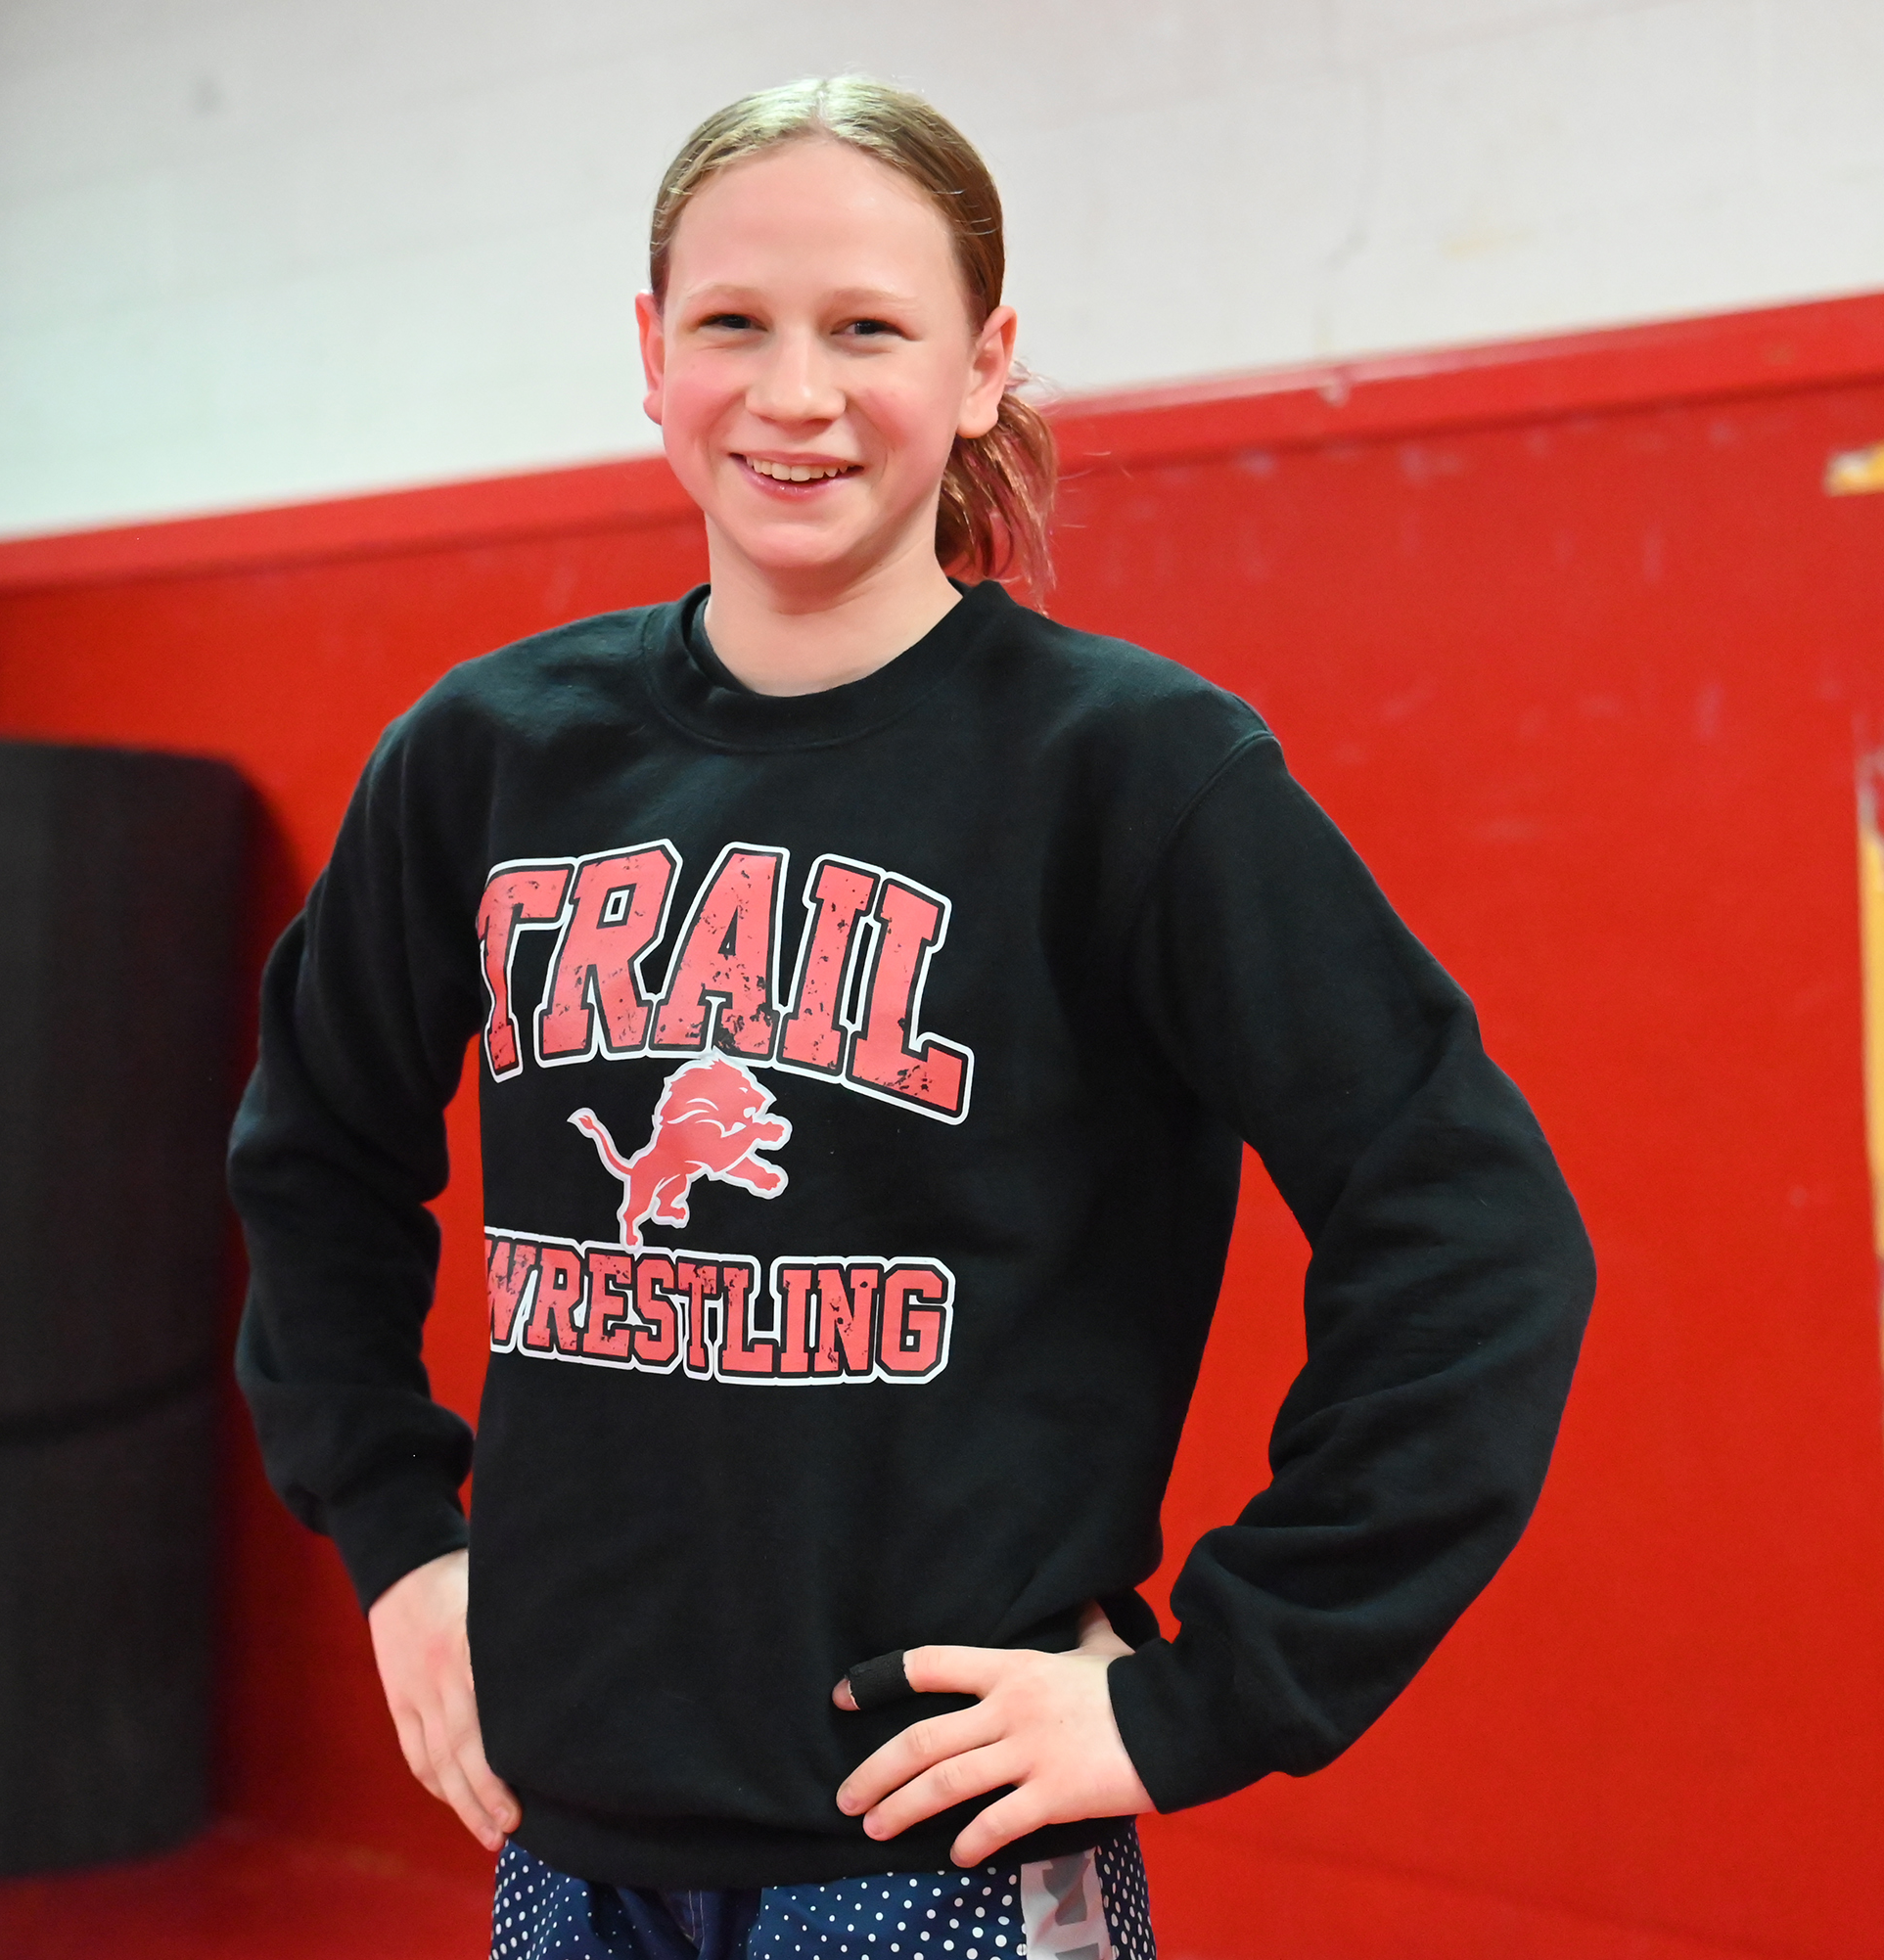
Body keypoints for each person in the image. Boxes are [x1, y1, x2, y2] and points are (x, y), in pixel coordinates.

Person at [230, 75, 1592, 1960]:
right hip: (573, 1827)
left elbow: (1474, 1233)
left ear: (981, 365)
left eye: (869, 327)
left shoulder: (1132, 774)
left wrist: (1205, 1690)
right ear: (650, 355)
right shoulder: (484, 759)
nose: (797, 393)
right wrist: (395, 1540)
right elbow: (313, 1156)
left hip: (926, 1856)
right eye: (734, 324)